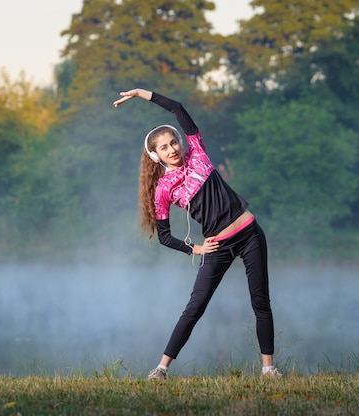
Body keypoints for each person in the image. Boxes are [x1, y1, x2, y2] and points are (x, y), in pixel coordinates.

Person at [113, 88, 281, 379]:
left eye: (173, 142)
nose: (172, 149)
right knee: (195, 307)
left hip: (250, 233)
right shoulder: (163, 189)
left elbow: (178, 107)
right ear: (155, 156)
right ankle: (161, 368)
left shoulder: (198, 153)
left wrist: (143, 93)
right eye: (163, 147)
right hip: (218, 246)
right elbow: (165, 236)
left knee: (260, 301)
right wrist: (196, 249)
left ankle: (268, 369)